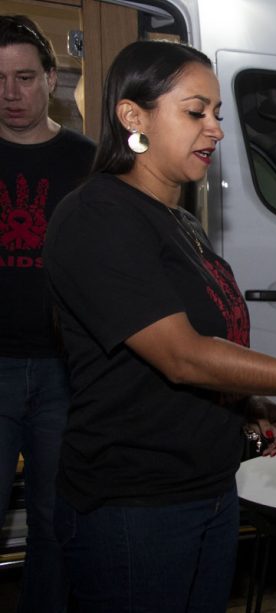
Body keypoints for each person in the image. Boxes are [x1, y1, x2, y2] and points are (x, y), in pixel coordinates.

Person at [42, 40, 276, 612]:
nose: (215, 129)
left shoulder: (182, 222)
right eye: (196, 112)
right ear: (133, 116)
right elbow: (183, 356)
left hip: (208, 492)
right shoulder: (98, 215)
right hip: (135, 506)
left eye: (217, 113)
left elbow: (207, 352)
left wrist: (251, 405)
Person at [0, 15, 96, 612]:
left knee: (56, 522)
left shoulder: (86, 162)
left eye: (25, 77)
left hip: (66, 372)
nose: (10, 94)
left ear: (52, 78)